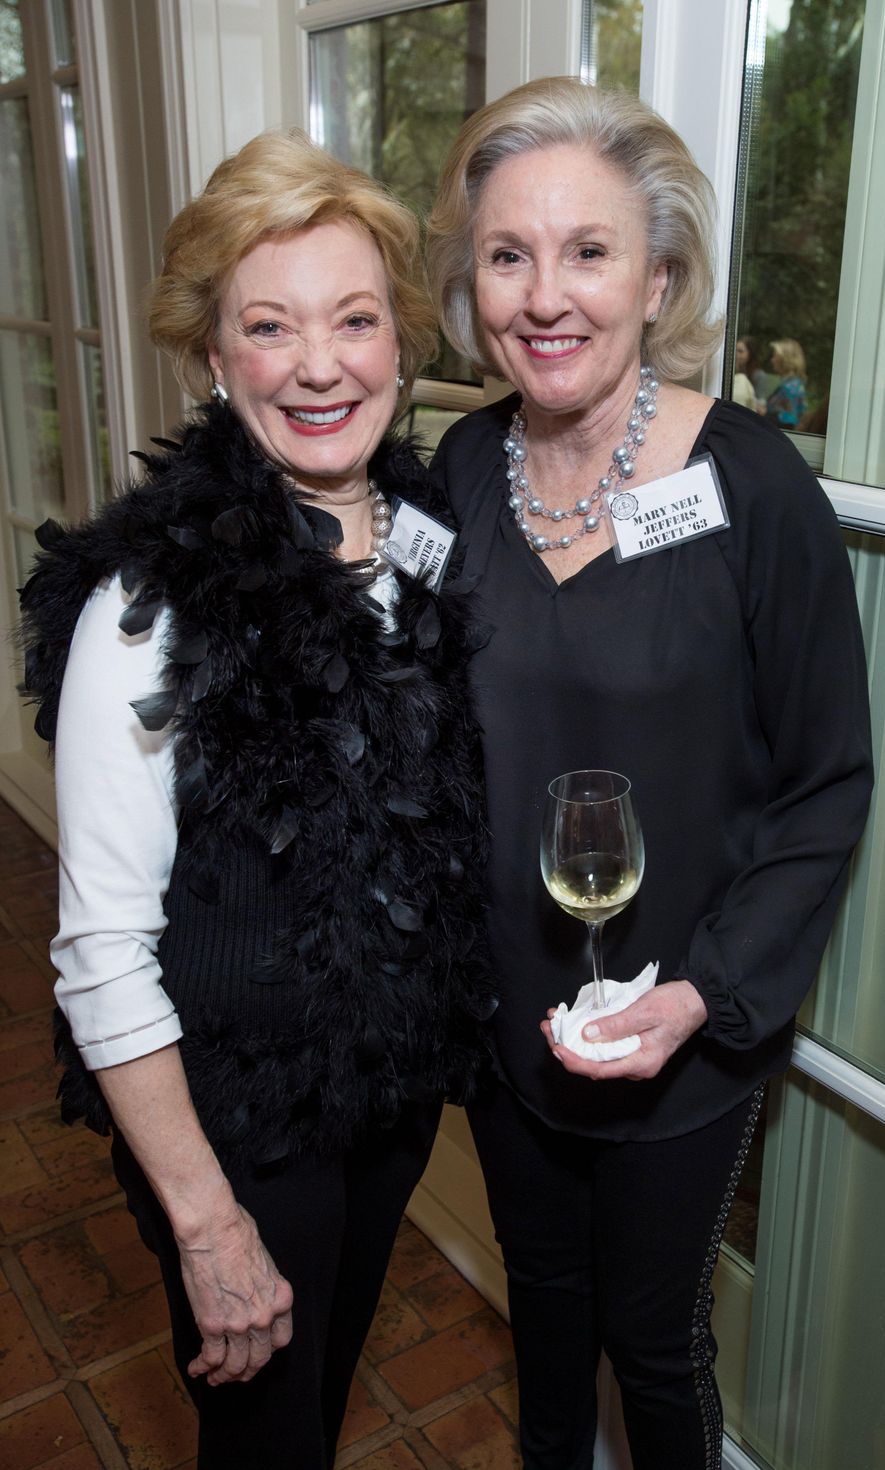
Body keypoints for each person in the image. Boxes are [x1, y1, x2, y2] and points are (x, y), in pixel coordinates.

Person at [19, 130, 494, 1470]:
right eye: (269, 326)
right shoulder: (147, 610)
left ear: (401, 343)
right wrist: (207, 1221)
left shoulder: (421, 541)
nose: (320, 364)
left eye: (354, 319)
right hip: (233, 1124)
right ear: (214, 360)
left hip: (385, 1095)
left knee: (317, 1401)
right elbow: (100, 951)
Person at [427, 78, 873, 1470]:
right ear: (474, 283)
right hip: (512, 1020)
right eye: (509, 255)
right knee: (544, 1314)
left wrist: (707, 994)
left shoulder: (753, 490)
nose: (545, 296)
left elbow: (827, 781)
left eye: (589, 250)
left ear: (660, 275)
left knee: (655, 1338)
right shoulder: (456, 468)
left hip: (681, 1026)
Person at [765, 337, 808, 427]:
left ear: (784, 359)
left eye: (775, 356)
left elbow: (789, 422)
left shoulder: (791, 388)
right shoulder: (791, 383)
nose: (772, 360)